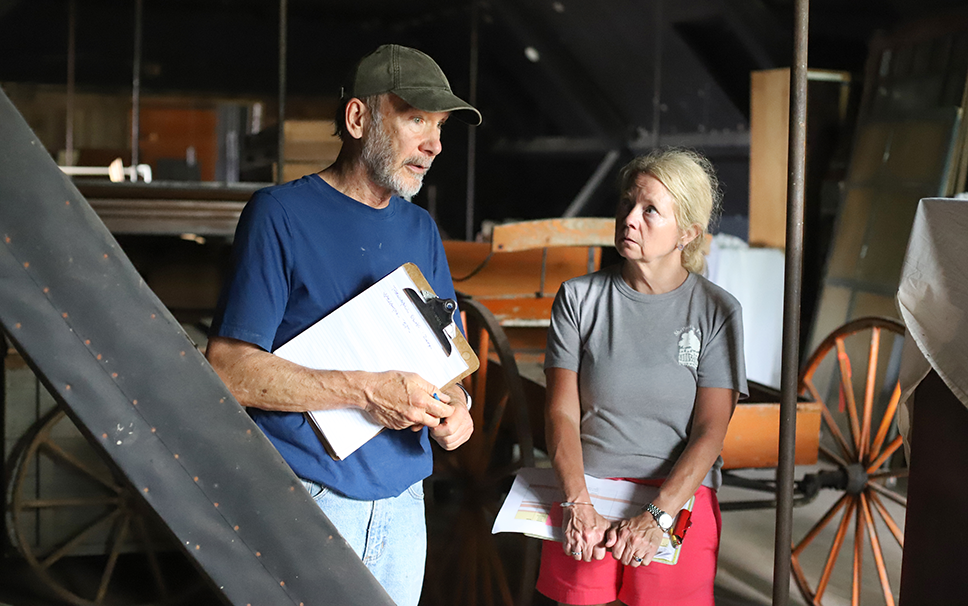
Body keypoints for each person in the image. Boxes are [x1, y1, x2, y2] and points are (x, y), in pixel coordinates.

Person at [205, 44, 480, 606]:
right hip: (308, 495)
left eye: (441, 126)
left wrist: (458, 409)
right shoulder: (278, 215)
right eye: (416, 119)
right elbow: (228, 370)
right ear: (358, 119)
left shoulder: (422, 230)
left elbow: (449, 362)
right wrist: (366, 391)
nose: (434, 144)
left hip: (404, 502)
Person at [536, 148, 748, 606]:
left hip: (677, 495)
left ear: (687, 232)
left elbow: (711, 430)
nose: (630, 218)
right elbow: (560, 412)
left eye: (650, 209)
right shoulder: (579, 299)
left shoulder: (717, 311)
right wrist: (578, 503)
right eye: (628, 203)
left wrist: (659, 515)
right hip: (587, 492)